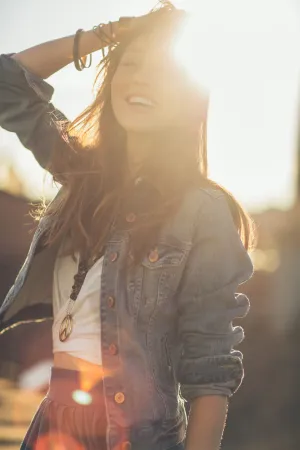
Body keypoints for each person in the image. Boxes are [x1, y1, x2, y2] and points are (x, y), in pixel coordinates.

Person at [0, 2, 255, 450]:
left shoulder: (202, 211)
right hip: (51, 429)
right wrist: (110, 34)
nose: (140, 80)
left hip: (136, 437)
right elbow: (8, 82)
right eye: (131, 65)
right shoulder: (82, 175)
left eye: (162, 72)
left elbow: (210, 367)